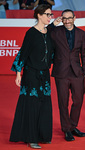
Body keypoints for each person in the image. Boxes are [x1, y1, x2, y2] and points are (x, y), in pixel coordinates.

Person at [9, 4, 58, 149]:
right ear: (39, 15)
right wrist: (18, 73)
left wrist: (55, 23)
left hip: (44, 74)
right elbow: (23, 53)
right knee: (32, 105)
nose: (50, 17)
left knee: (44, 105)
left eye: (51, 14)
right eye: (48, 14)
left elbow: (52, 51)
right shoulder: (30, 33)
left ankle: (43, 135)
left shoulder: (49, 32)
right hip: (31, 74)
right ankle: (31, 138)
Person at [50, 9, 85, 142]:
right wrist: (53, 24)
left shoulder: (82, 33)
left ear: (74, 18)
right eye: (64, 18)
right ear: (61, 19)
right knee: (63, 102)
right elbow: (44, 33)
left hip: (77, 72)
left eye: (69, 18)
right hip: (61, 72)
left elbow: (84, 53)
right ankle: (67, 129)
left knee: (78, 100)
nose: (67, 21)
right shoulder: (55, 32)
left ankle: (72, 126)